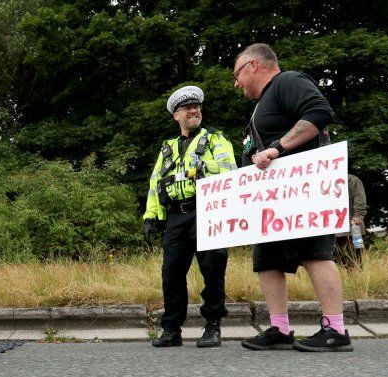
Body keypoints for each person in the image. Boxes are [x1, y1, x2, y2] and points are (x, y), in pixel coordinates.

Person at [232, 43, 352, 352]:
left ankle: (335, 329)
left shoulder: (288, 81)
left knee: (315, 253)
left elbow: (320, 113)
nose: (236, 83)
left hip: (304, 195)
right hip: (272, 202)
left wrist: (277, 148)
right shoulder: (263, 103)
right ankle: (279, 328)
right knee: (266, 260)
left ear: (252, 66)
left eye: (236, 75)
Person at [143, 86, 237, 348]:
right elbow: (155, 184)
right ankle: (172, 328)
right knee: (171, 273)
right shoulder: (167, 149)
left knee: (213, 272)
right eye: (187, 108)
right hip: (176, 217)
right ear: (176, 116)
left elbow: (230, 174)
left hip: (208, 212)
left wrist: (204, 172)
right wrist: (151, 216)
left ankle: (213, 326)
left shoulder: (216, 140)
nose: (193, 111)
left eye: (196, 107)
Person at [334, 174, 367, 268]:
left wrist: (358, 218)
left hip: (353, 227)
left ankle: (358, 278)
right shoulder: (325, 182)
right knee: (338, 258)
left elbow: (360, 200)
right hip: (333, 230)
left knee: (356, 257)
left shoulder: (352, 180)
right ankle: (351, 276)